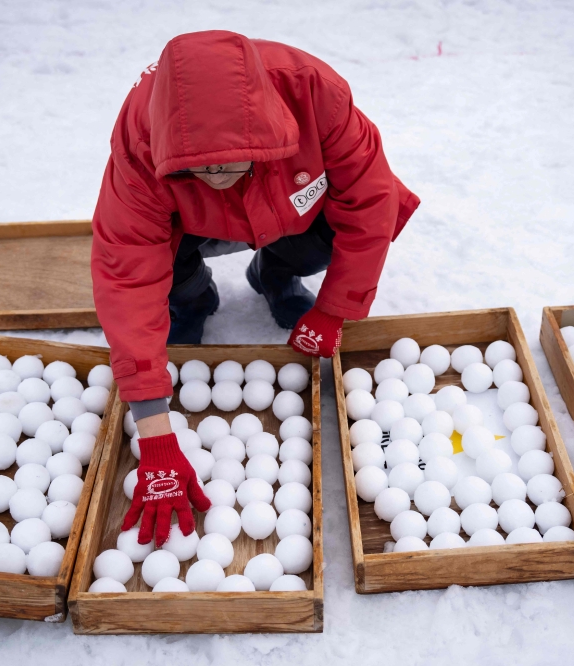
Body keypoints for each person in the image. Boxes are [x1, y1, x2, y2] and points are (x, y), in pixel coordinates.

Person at [92, 30, 419, 546]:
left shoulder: (314, 95)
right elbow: (127, 269)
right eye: (198, 165)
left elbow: (370, 202)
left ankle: (276, 273)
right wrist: (153, 428)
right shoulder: (142, 140)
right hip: (194, 225)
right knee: (162, 267)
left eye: (228, 160)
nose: (216, 174)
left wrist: (335, 310)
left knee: (330, 241)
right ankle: (192, 295)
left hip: (292, 204)